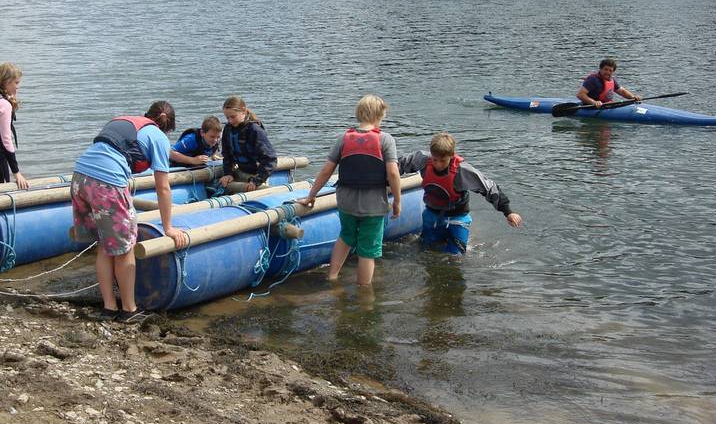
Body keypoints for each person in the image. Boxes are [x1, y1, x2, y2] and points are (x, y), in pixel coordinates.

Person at [71, 101, 188, 323]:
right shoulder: (159, 138)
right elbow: (163, 188)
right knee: (125, 249)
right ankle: (129, 309)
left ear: (147, 115)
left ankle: (108, 307)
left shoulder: (121, 120)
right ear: (168, 127)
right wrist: (169, 228)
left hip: (79, 178)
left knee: (104, 246)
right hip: (106, 184)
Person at [297, 94, 401, 286]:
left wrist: (311, 196)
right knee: (367, 250)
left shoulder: (343, 138)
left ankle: (332, 276)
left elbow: (326, 170)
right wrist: (397, 201)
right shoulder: (385, 140)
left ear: (358, 113)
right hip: (373, 205)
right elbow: (393, 174)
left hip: (346, 201)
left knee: (346, 236)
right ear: (380, 115)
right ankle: (363, 291)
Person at [397, 132, 522, 255]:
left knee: (455, 257)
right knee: (427, 250)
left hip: (457, 218)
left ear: (451, 156)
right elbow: (398, 165)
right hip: (432, 214)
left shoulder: (462, 171)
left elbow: (490, 188)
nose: (438, 164)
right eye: (435, 159)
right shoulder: (422, 159)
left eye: (443, 160)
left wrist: (508, 212)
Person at [218, 96, 277, 194]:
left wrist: (257, 180)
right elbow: (227, 155)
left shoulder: (254, 130)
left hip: (257, 176)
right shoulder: (228, 129)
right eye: (227, 118)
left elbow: (270, 159)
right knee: (220, 184)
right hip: (240, 172)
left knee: (263, 192)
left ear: (243, 111)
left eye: (233, 117)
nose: (230, 121)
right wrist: (228, 173)